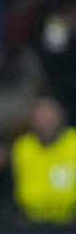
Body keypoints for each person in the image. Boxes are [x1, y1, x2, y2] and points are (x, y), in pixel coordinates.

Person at [12, 95, 76, 225]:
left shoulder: (73, 142)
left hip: (70, 222)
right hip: (30, 223)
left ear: (59, 116)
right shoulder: (23, 147)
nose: (44, 120)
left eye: (48, 115)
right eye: (39, 115)